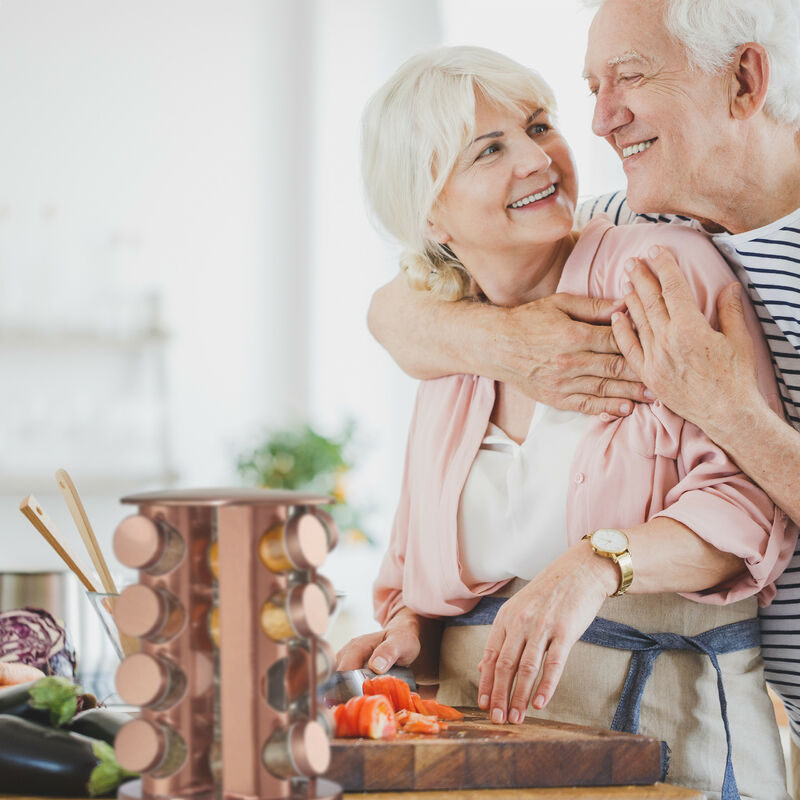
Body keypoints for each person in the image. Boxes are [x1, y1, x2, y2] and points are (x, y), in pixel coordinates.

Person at [338, 45, 796, 799]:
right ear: (429, 210)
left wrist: (596, 563)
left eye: (540, 125)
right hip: (488, 757)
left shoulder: (657, 267)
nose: (538, 157)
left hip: (665, 746)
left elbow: (749, 506)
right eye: (490, 149)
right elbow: (415, 572)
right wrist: (408, 635)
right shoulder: (449, 343)